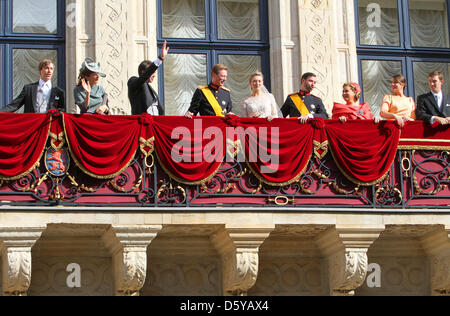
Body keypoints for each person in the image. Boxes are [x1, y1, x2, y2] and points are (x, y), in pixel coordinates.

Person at [128, 41, 170, 115]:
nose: (154, 75)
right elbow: (143, 78)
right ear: (144, 72)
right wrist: (160, 58)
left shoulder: (150, 89)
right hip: (142, 123)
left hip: (154, 123)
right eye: (152, 72)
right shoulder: (133, 82)